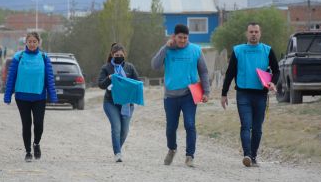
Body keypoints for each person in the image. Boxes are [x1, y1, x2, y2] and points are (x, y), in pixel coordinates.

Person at [221, 22, 279, 167]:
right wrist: (224, 93)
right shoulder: (238, 51)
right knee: (246, 125)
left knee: (257, 128)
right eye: (251, 32)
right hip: (243, 93)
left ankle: (253, 156)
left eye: (256, 32)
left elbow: (277, 70)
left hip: (261, 94)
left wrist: (273, 82)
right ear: (247, 34)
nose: (253, 34)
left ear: (260, 33)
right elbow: (230, 73)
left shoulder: (267, 50)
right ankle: (247, 155)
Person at [151, 24, 210, 167]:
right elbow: (154, 65)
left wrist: (206, 91)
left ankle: (190, 156)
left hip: (189, 95)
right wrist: (165, 48)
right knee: (171, 127)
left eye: (185, 38)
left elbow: (203, 71)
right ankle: (172, 149)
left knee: (190, 124)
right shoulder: (167, 50)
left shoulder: (196, 50)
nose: (182, 40)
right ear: (174, 37)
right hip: (170, 96)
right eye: (180, 37)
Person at [4, 32, 58, 162]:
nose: (32, 44)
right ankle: (28, 151)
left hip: (39, 96)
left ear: (39, 43)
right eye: (30, 41)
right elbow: (11, 77)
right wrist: (8, 95)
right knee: (26, 124)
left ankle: (36, 144)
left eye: (34, 41)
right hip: (22, 96)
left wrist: (53, 95)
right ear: (26, 43)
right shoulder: (19, 57)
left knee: (38, 124)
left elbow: (49, 78)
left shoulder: (44, 57)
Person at [98, 43, 140, 163]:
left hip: (127, 103)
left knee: (124, 130)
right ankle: (117, 153)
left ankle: (118, 149)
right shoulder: (106, 68)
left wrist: (129, 83)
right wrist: (109, 78)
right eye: (116, 55)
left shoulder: (130, 68)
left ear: (125, 55)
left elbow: (138, 82)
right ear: (112, 55)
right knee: (116, 127)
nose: (119, 56)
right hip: (110, 103)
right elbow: (100, 84)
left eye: (121, 55)